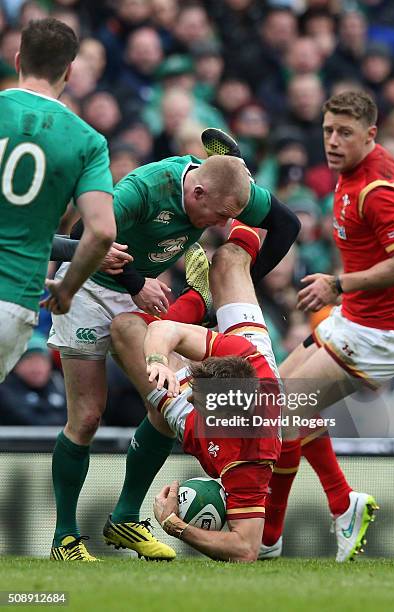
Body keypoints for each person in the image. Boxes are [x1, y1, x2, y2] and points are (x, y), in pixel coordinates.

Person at [48, 134, 300, 561]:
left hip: (144, 295)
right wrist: (134, 283)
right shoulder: (142, 190)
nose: (220, 224)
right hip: (90, 287)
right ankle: (65, 538)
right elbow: (80, 235)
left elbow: (287, 225)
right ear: (197, 192)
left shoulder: (223, 190)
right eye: (218, 215)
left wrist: (242, 282)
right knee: (87, 416)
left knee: (161, 411)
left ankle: (125, 518)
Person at [261, 90, 394, 562]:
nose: (332, 141)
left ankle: (335, 505)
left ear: (370, 135)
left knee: (287, 408)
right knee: (272, 401)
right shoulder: (347, 173)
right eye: (328, 130)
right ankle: (272, 537)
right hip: (355, 318)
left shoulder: (379, 188)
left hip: (382, 334)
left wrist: (339, 284)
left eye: (345, 133)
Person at [103, 226, 281, 562]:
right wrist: (158, 361)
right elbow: (162, 329)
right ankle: (249, 200)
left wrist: (174, 526)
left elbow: (245, 549)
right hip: (254, 367)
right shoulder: (244, 355)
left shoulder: (249, 459)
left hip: (208, 425)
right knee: (228, 260)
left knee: (125, 328)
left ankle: (197, 302)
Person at [0, 18, 116, 383]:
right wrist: (67, 289)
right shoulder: (87, 141)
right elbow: (100, 232)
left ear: (18, 60)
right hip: (13, 300)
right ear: (68, 71)